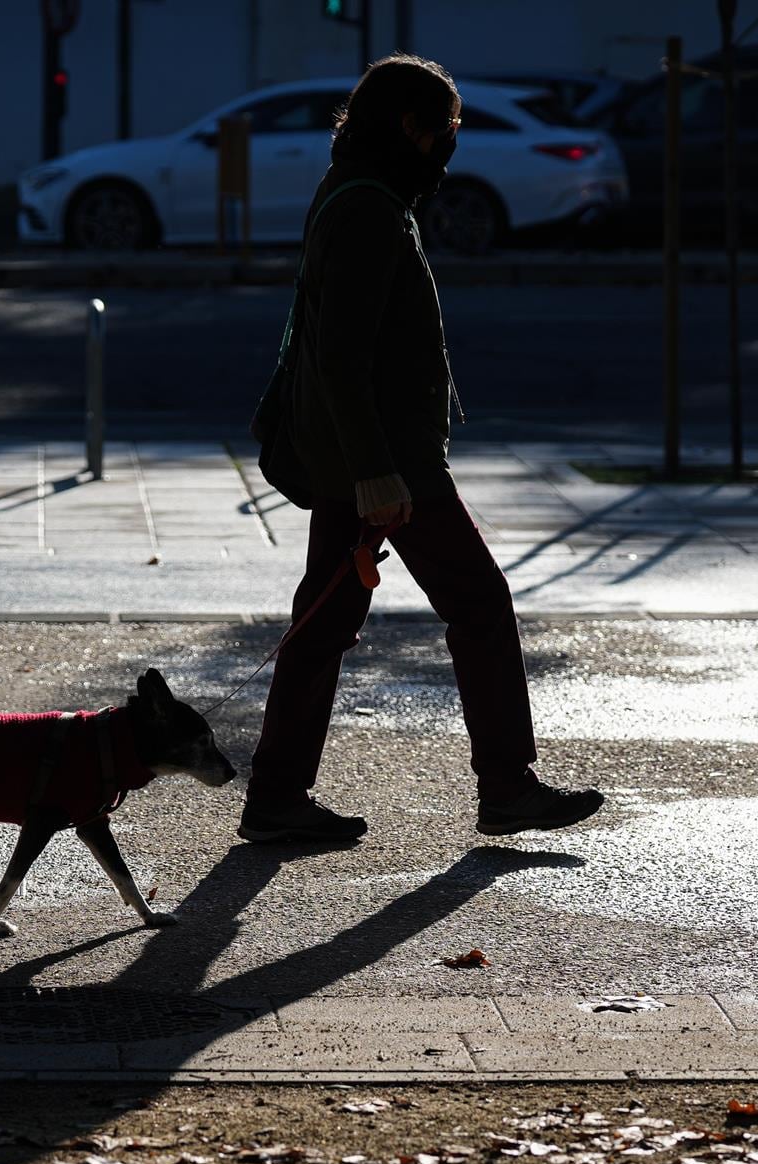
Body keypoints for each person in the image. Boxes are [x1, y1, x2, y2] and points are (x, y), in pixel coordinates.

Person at [238, 53, 605, 844]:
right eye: (447, 130)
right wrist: (376, 471)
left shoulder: (355, 189)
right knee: (479, 602)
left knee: (326, 620)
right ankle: (506, 785)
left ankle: (275, 795)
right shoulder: (369, 210)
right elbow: (341, 355)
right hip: (389, 463)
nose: (449, 146)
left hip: (362, 455)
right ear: (411, 126)